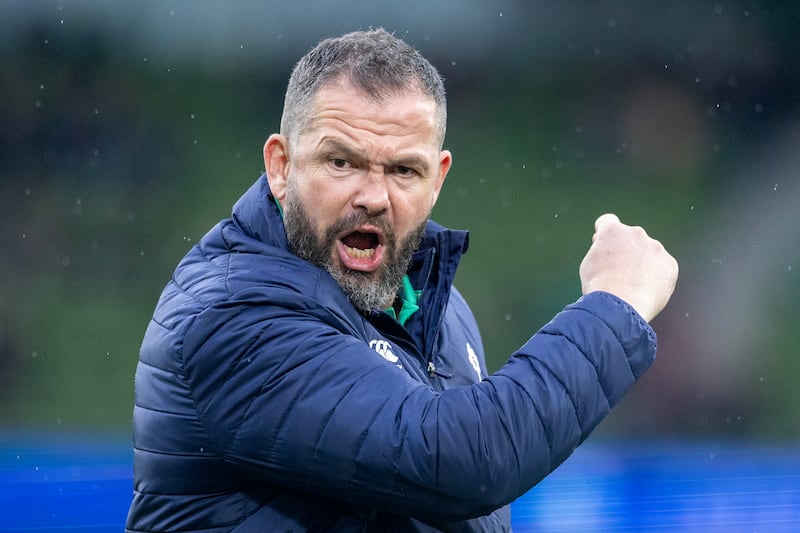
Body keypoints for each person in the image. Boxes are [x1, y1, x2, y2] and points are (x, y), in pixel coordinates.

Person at [126, 28, 678, 532]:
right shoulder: (232, 312)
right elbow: (463, 461)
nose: (373, 196)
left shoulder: (441, 306)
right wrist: (613, 304)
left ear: (437, 179)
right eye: (341, 162)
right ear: (281, 166)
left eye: (402, 170)